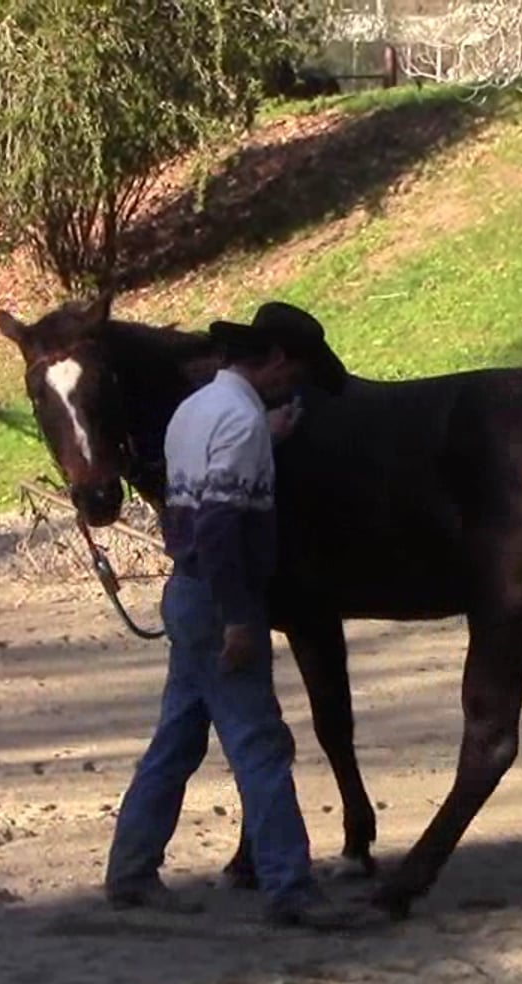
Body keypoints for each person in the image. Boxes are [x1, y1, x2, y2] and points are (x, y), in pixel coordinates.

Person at [103, 302, 354, 930]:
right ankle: (289, 887)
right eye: (290, 371)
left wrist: (266, 438)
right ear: (272, 360)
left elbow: (198, 490)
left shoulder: (197, 411)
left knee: (177, 739)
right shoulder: (241, 421)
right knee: (260, 743)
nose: (291, 385)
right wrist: (242, 618)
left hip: (186, 592)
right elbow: (219, 523)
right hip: (220, 598)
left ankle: (132, 872)